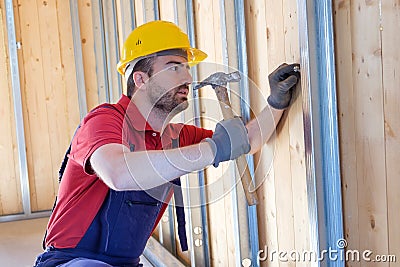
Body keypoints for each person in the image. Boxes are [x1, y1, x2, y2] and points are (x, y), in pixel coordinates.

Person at [34, 20, 300, 267]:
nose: (187, 78)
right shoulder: (104, 120)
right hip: (70, 261)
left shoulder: (175, 137)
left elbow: (247, 141)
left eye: (187, 68)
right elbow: (119, 172)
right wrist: (213, 148)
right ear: (141, 78)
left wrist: (276, 103)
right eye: (174, 67)